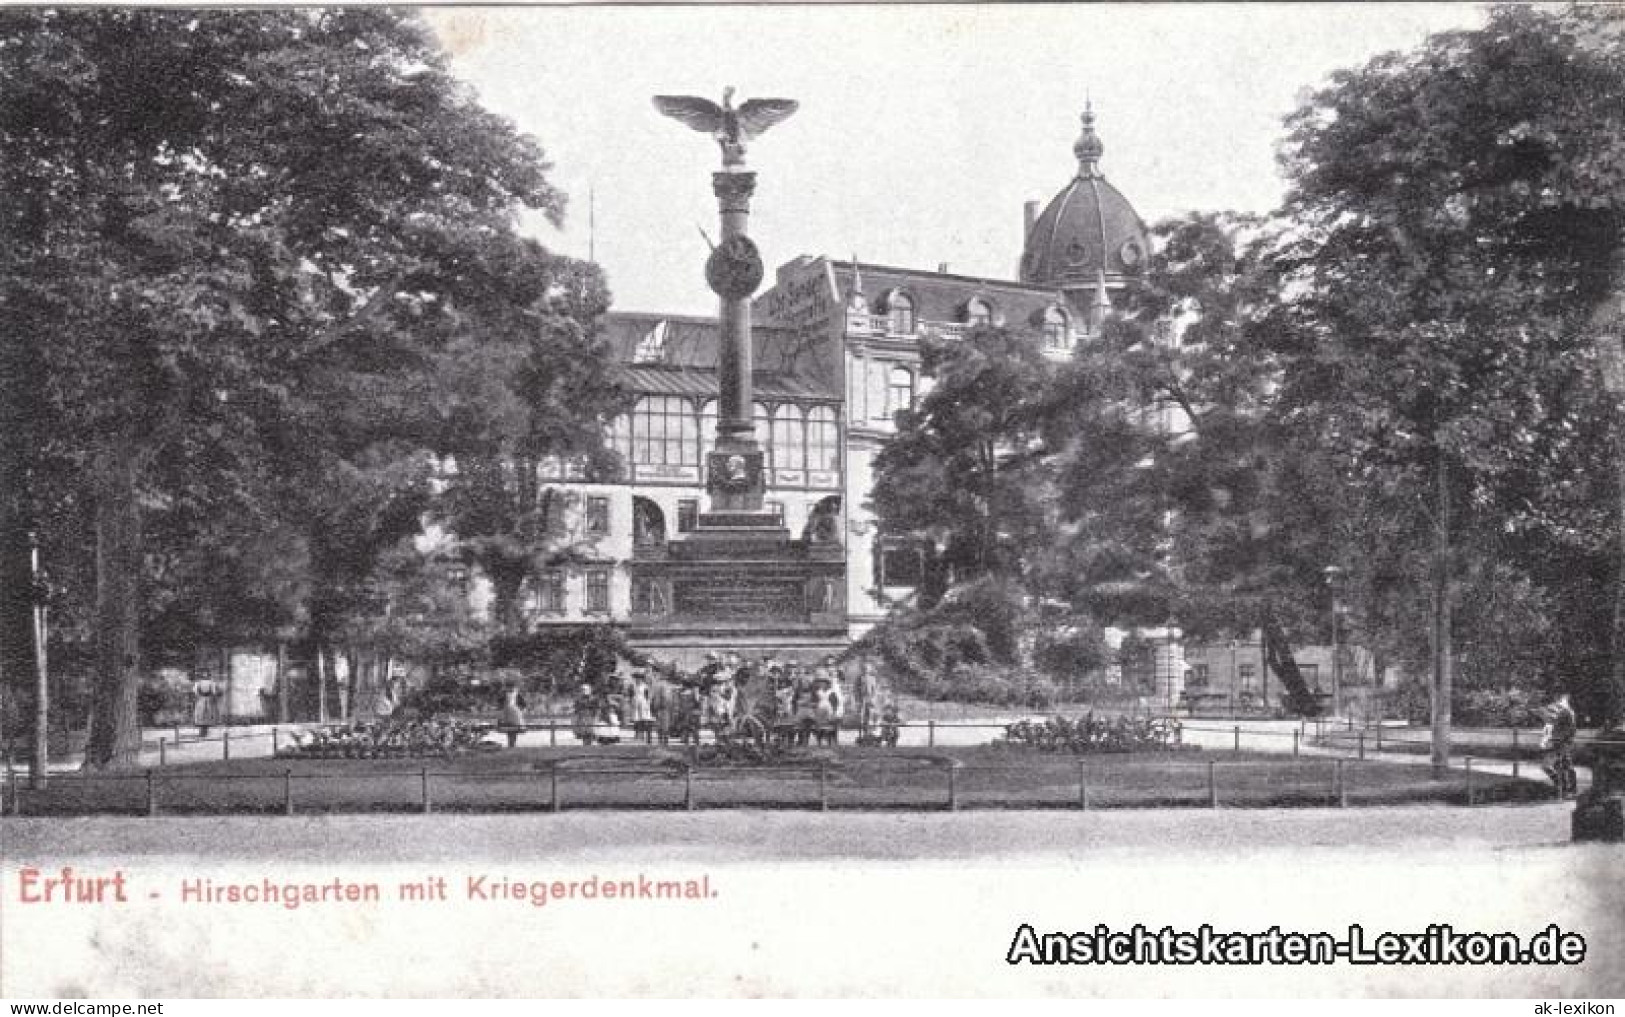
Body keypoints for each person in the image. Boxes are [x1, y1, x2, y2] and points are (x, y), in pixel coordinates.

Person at [1539, 692, 1579, 798]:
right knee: (1551, 766)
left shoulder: (1568, 712)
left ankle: (1570, 790)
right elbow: (1555, 727)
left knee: (1565, 767)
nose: (1559, 702)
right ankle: (1563, 788)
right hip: (1557, 744)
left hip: (1562, 744)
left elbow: (1571, 730)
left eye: (1562, 699)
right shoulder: (1562, 712)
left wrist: (1561, 739)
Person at [629, 671, 655, 744]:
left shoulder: (645, 686)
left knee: (643, 719)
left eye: (639, 678)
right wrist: (631, 701)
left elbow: (647, 696)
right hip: (635, 702)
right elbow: (631, 694)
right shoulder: (633, 686)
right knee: (636, 719)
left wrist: (647, 704)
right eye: (637, 678)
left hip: (643, 703)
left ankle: (642, 735)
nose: (638, 680)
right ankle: (637, 734)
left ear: (642, 679)